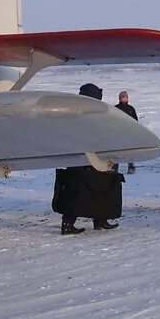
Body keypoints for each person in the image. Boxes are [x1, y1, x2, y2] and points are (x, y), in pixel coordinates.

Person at [55, 83, 123, 233]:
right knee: (78, 193)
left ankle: (100, 220)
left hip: (89, 157)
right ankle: (68, 223)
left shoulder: (80, 113)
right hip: (83, 159)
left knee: (99, 189)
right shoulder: (83, 114)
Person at [115, 90, 139, 174]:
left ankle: (131, 166)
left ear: (128, 98)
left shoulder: (131, 109)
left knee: (130, 150)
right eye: (122, 97)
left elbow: (135, 121)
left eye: (125, 97)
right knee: (116, 151)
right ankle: (115, 167)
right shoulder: (115, 108)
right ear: (119, 98)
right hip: (118, 133)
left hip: (129, 133)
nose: (124, 98)